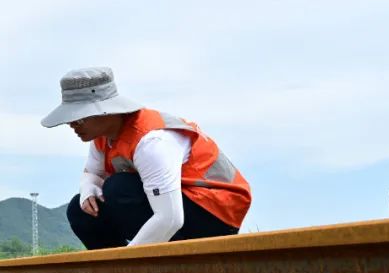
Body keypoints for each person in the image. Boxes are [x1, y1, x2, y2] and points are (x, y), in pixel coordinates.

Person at [41, 67, 251, 249]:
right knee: (79, 210)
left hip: (215, 212)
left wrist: (127, 258)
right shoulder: (102, 137)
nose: (72, 125)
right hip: (174, 205)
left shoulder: (151, 142)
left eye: (78, 119)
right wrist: (88, 189)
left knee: (118, 188)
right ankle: (117, 272)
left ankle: (142, 265)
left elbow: (170, 218)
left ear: (105, 112)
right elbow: (92, 173)